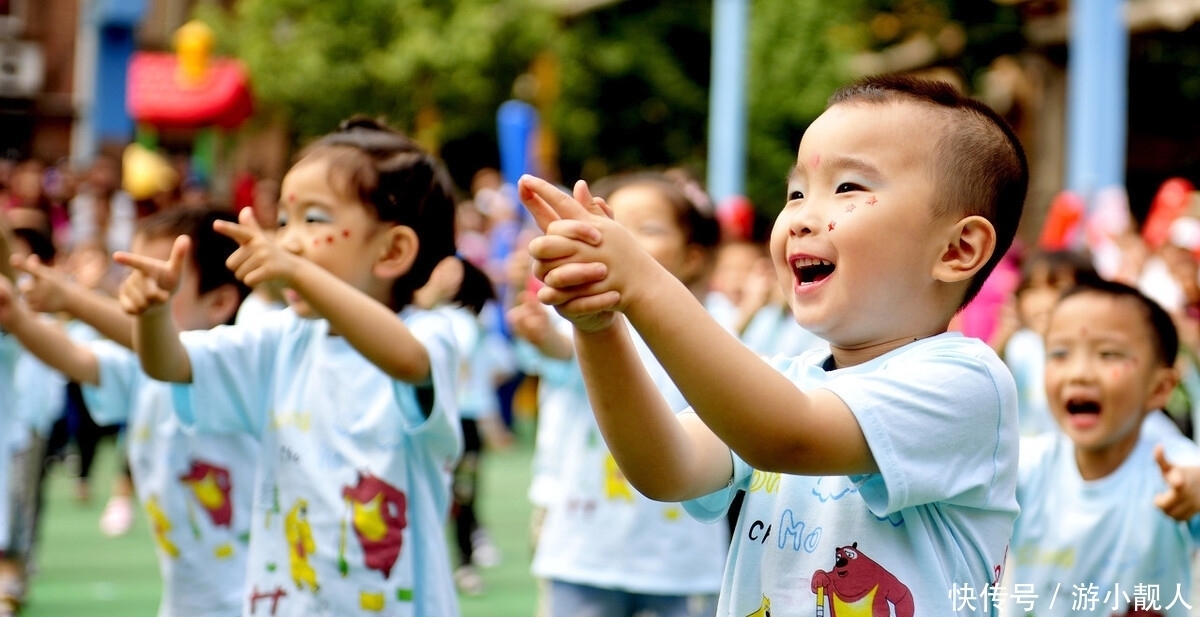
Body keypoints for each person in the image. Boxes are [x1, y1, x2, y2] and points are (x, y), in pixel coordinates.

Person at [517, 74, 1028, 616]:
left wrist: (643, 282)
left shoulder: (967, 382)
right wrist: (601, 328)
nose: (802, 217)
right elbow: (666, 468)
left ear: (957, 249)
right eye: (797, 192)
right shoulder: (788, 377)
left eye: (848, 187)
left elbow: (789, 436)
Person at [116, 117, 463, 616]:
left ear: (392, 251)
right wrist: (151, 316)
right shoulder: (282, 339)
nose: (289, 241)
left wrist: (297, 270)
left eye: (314, 220)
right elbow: (172, 364)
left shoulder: (430, 336)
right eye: (283, 222)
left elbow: (407, 359)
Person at [0, 205, 257, 617]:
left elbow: (158, 341)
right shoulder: (143, 369)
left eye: (160, 282)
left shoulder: (237, 369)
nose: (137, 293)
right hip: (185, 600)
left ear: (220, 302)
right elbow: (75, 356)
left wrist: (70, 297)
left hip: (249, 598)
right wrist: (18, 317)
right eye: (133, 277)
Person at [510, 171, 730, 617]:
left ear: (693, 257)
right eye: (615, 227)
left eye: (647, 229)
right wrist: (541, 336)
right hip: (585, 548)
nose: (624, 241)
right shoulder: (584, 314)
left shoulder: (717, 322)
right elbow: (564, 353)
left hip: (681, 556)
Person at [1006, 279, 1200, 617]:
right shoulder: (1028, 465)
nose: (1079, 373)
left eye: (1108, 353)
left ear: (1159, 388)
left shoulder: (1171, 469)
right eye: (1059, 353)